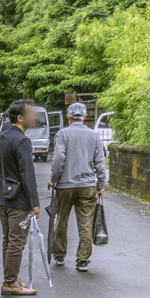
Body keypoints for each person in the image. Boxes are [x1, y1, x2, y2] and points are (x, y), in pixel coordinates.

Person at [0, 99, 41, 296]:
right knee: (17, 241)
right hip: (18, 199)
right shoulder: (22, 140)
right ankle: (10, 282)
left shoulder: (1, 137)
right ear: (20, 117)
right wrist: (34, 203)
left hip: (2, 196)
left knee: (8, 240)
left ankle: (12, 278)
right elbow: (27, 174)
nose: (34, 117)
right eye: (31, 113)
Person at [48, 101, 108, 271]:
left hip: (65, 185)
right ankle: (82, 259)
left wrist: (54, 178)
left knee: (61, 220)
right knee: (85, 223)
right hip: (87, 185)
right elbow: (100, 164)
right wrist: (100, 183)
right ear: (85, 116)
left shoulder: (62, 134)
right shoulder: (94, 135)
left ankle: (59, 254)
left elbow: (59, 159)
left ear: (68, 116)